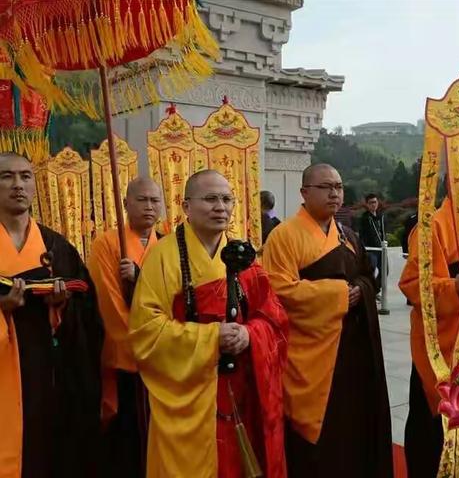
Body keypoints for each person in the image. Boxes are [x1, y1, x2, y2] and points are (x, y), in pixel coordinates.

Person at [128, 169, 288, 478]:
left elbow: (274, 317)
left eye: (227, 199)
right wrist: (210, 337)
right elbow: (146, 332)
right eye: (210, 199)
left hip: (241, 389)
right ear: (186, 206)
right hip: (189, 395)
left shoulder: (244, 257)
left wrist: (250, 333)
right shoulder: (163, 258)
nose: (221, 207)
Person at [262, 163, 393, 478]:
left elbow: (368, 275)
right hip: (311, 353)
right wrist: (337, 295)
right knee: (318, 434)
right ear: (305, 192)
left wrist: (360, 292)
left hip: (351, 346)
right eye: (325, 187)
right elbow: (278, 290)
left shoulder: (347, 235)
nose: (334, 193)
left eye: (339, 186)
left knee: (352, 421)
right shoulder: (284, 236)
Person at [0, 152, 103, 478]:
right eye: (7, 177)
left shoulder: (57, 247)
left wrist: (61, 307)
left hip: (47, 368)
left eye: (25, 176)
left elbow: (87, 311)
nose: (18, 185)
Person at [88, 177, 163, 478]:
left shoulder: (167, 242)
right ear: (125, 203)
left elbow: (173, 298)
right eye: (141, 200)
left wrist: (141, 277)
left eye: (154, 201)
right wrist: (140, 344)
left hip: (164, 351)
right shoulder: (107, 244)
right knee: (128, 433)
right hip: (129, 354)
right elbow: (108, 301)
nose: (148, 207)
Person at [399, 195, 459, 478]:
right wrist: (456, 287)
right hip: (442, 352)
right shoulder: (433, 225)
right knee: (434, 436)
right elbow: (414, 285)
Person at [359, 193, 386, 290]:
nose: (373, 205)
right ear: (367, 204)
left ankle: (377, 289)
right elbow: (362, 235)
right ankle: (373, 290)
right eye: (371, 203)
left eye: (375, 202)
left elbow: (382, 231)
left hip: (382, 248)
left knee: (384, 271)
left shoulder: (381, 216)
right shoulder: (365, 218)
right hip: (371, 249)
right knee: (373, 270)